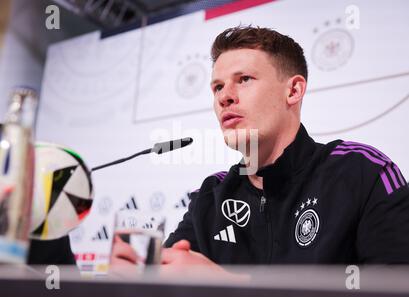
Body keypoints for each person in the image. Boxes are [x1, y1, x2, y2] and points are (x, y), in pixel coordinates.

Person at [112, 26, 409, 267]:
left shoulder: (362, 171)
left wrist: (230, 291)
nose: (224, 97)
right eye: (217, 87)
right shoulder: (210, 197)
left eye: (244, 80)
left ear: (293, 90)